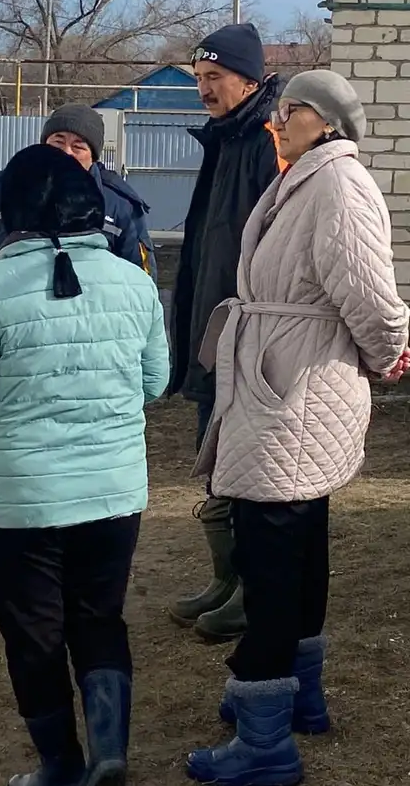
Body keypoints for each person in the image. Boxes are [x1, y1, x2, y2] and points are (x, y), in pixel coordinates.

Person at [0, 144, 170, 786]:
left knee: (34, 635)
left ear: (16, 212)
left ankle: (60, 766)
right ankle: (110, 752)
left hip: (20, 504)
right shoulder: (134, 283)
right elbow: (155, 381)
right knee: (99, 618)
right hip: (112, 494)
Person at [185, 70, 410, 786]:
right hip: (285, 382)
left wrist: (389, 354)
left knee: (272, 556)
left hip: (296, 391)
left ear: (331, 121)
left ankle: (265, 740)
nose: (277, 121)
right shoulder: (304, 178)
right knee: (296, 546)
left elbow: (371, 295)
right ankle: (297, 697)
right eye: (279, 110)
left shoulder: (337, 184)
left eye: (292, 110)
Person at [166, 22, 287, 643]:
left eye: (215, 77)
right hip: (214, 327)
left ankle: (254, 591)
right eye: (199, 78)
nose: (204, 89)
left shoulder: (268, 140)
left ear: (249, 79)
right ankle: (227, 579)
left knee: (248, 467)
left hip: (250, 336)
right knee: (214, 458)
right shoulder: (224, 138)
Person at [0, 103, 157, 285]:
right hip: (12, 307)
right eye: (58, 142)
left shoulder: (119, 204)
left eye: (78, 147)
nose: (66, 152)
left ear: (93, 157)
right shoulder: (0, 191)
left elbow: (142, 278)